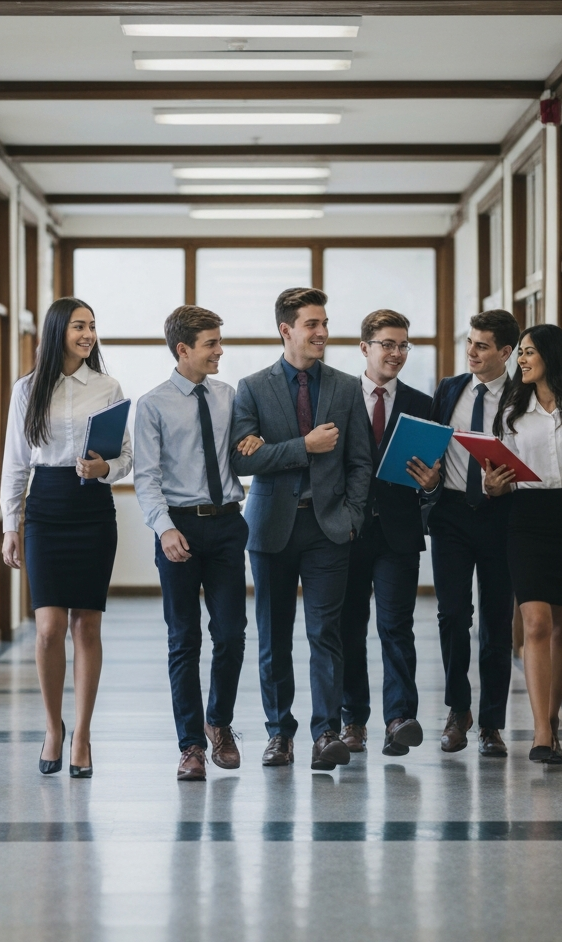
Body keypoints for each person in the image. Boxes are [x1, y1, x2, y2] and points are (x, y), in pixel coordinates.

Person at [231, 287, 372, 771]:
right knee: (273, 636)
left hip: (330, 527)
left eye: (326, 323)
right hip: (270, 528)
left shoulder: (346, 386)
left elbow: (360, 461)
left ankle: (325, 733)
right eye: (312, 324)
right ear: (286, 330)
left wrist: (352, 516)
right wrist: (303, 446)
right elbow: (241, 459)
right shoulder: (251, 387)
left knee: (325, 634)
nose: (323, 333)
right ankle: (278, 733)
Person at [1, 297, 132, 778]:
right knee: (49, 628)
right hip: (47, 506)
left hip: (92, 508)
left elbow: (126, 457)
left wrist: (106, 468)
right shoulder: (28, 389)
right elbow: (14, 461)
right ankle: (53, 729)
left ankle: (82, 734)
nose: (88, 335)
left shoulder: (108, 386)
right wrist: (9, 525)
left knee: (87, 627)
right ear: (59, 330)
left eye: (93, 327)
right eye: (79, 326)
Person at [134, 306, 263, 782]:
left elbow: (245, 448)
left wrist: (254, 442)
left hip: (229, 524)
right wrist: (164, 528)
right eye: (211, 343)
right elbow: (146, 478)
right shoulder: (153, 405)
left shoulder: (229, 396)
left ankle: (219, 724)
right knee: (183, 639)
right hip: (179, 527)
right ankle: (190, 745)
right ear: (183, 349)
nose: (220, 351)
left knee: (230, 634)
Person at [485, 323, 562, 765]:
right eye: (519, 352)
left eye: (528, 352)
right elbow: (497, 475)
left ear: (551, 356)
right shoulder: (511, 410)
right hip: (525, 517)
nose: (520, 360)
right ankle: (541, 731)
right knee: (536, 622)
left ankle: (553, 718)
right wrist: (491, 485)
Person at [414, 310, 520, 757]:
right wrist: (430, 481)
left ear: (506, 352)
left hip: (503, 517)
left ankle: (492, 724)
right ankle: (459, 711)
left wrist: (509, 482)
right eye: (470, 343)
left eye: (481, 345)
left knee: (497, 622)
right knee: (453, 615)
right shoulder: (449, 389)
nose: (471, 352)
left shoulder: (525, 397)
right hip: (452, 516)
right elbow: (434, 447)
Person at [339, 309, 433, 757]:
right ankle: (352, 720)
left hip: (398, 532)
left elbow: (434, 474)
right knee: (348, 628)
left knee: (397, 627)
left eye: (403, 345)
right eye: (387, 344)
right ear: (365, 348)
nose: (396, 353)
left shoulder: (421, 403)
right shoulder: (340, 397)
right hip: (348, 531)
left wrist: (431, 485)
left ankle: (399, 719)